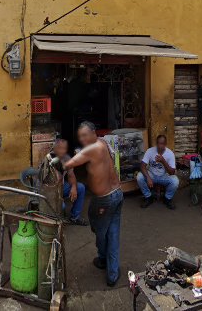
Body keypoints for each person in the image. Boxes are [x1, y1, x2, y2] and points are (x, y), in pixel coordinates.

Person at [61, 121, 123, 287]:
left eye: (85, 135)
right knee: (113, 232)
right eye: (80, 136)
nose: (82, 139)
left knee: (101, 231)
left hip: (105, 200)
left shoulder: (93, 148)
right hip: (117, 195)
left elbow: (69, 164)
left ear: (94, 132)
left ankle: (103, 258)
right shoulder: (102, 142)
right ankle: (112, 273)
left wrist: (58, 158)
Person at [137, 134, 178, 210]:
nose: (160, 146)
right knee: (139, 176)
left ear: (165, 144)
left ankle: (167, 199)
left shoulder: (170, 154)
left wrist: (163, 161)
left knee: (175, 181)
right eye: (158, 143)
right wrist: (148, 178)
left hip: (163, 176)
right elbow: (142, 166)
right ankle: (148, 197)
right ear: (156, 143)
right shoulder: (150, 151)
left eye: (162, 144)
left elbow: (172, 172)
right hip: (152, 175)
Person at [52, 139, 88, 225]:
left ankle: (74, 217)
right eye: (59, 148)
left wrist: (74, 187)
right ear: (54, 149)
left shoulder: (66, 158)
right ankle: (53, 223)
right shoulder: (49, 159)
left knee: (80, 188)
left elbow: (71, 175)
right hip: (50, 191)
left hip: (62, 187)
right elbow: (46, 184)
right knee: (62, 206)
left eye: (64, 148)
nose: (62, 151)